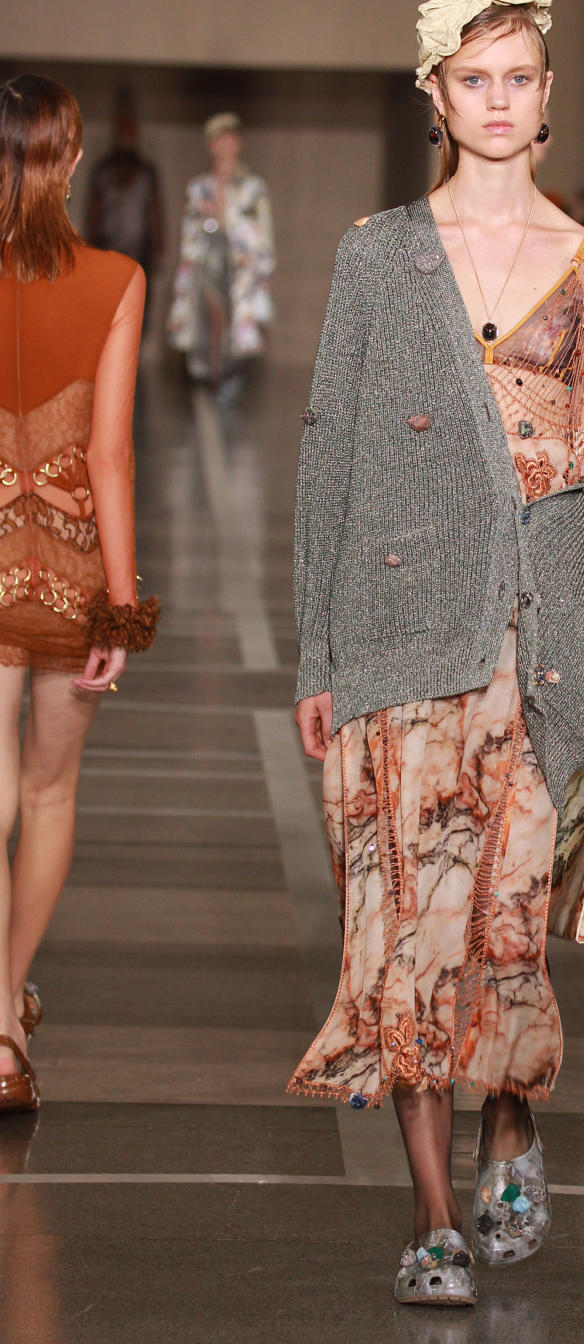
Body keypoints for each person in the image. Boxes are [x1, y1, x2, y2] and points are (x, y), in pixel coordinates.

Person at [290, 0, 584, 1309]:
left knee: (510, 935)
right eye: (473, 78)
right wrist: (315, 657)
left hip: (542, 654)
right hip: (397, 646)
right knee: (407, 941)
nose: (497, 101)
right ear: (436, 96)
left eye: (519, 77)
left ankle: (513, 1122)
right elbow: (327, 459)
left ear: (548, 99)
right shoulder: (379, 251)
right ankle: (435, 1215)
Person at [0, 75, 159, 1113]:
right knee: (49, 792)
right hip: (63, 568)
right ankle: (5, 1013)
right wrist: (122, 602)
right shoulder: (116, 277)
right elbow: (109, 455)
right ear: (70, 157)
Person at [167, 112, 274, 394]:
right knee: (207, 316)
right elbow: (188, 231)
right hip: (205, 261)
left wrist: (264, 271)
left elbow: (263, 232)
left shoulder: (253, 187)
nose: (225, 145)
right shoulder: (199, 187)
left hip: (240, 266)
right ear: (210, 144)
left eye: (230, 138)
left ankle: (229, 376)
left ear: (238, 143)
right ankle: (211, 374)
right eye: (218, 139)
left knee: (236, 320)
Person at [84, 90, 164, 327]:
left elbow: (154, 210)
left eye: (131, 131)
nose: (127, 137)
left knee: (139, 305)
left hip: (139, 247)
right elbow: (93, 210)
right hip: (108, 245)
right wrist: (89, 245)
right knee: (109, 304)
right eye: (123, 131)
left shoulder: (145, 171)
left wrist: (158, 245)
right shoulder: (103, 171)